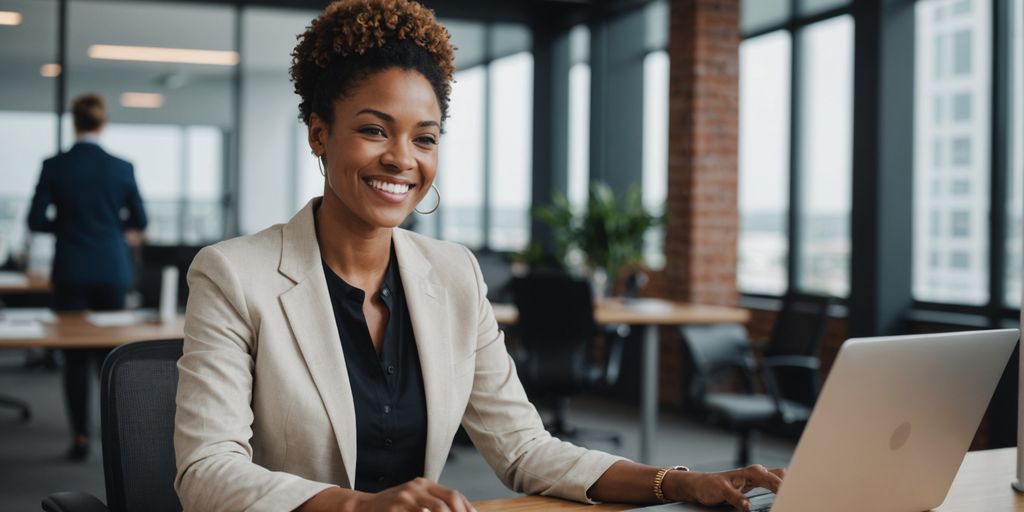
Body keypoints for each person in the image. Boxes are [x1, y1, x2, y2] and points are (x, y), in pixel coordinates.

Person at [173, 1, 784, 510]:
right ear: (319, 134)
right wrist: (360, 505)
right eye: (374, 130)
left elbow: (523, 450)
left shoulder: (453, 275)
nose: (402, 159)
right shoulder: (234, 274)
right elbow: (206, 471)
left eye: (425, 137)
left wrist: (674, 481)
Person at [27, 92, 148, 461]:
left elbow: (35, 220)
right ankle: (119, 434)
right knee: (110, 354)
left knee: (75, 356)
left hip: (71, 268)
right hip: (111, 268)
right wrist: (110, 227)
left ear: (74, 122)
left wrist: (67, 226)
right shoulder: (121, 167)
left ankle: (80, 437)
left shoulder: (55, 165)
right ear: (102, 122)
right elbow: (140, 221)